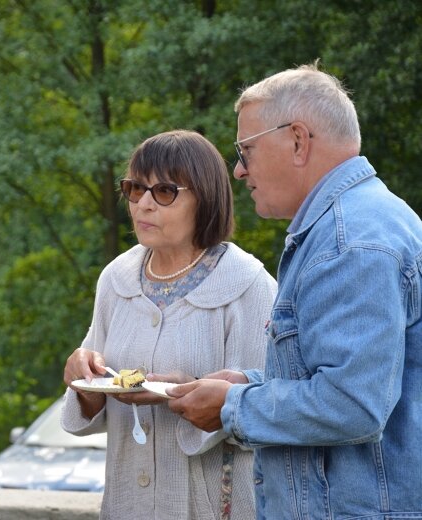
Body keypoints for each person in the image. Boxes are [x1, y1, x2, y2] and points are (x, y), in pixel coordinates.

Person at [168, 63, 422, 519]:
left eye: (246, 150)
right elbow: (359, 383)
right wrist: (250, 383)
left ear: (298, 141)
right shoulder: (356, 226)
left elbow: (353, 404)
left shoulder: (350, 243)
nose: (239, 170)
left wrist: (233, 407)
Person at [61, 130, 277, 519]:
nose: (143, 204)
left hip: (212, 506)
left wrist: (185, 393)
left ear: (205, 199)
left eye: (163, 192)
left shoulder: (247, 284)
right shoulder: (116, 277)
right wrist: (85, 382)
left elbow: (270, 411)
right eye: (134, 188)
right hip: (127, 504)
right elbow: (96, 399)